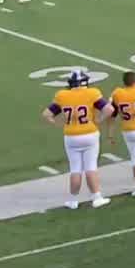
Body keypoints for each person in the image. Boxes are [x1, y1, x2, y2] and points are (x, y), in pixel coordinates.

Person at [43, 71, 112, 210]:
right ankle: (96, 198)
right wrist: (98, 119)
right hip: (89, 133)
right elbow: (109, 109)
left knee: (75, 169)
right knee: (91, 167)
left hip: (71, 136)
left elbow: (46, 114)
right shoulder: (92, 93)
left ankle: (73, 200)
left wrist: (59, 124)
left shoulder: (62, 95)